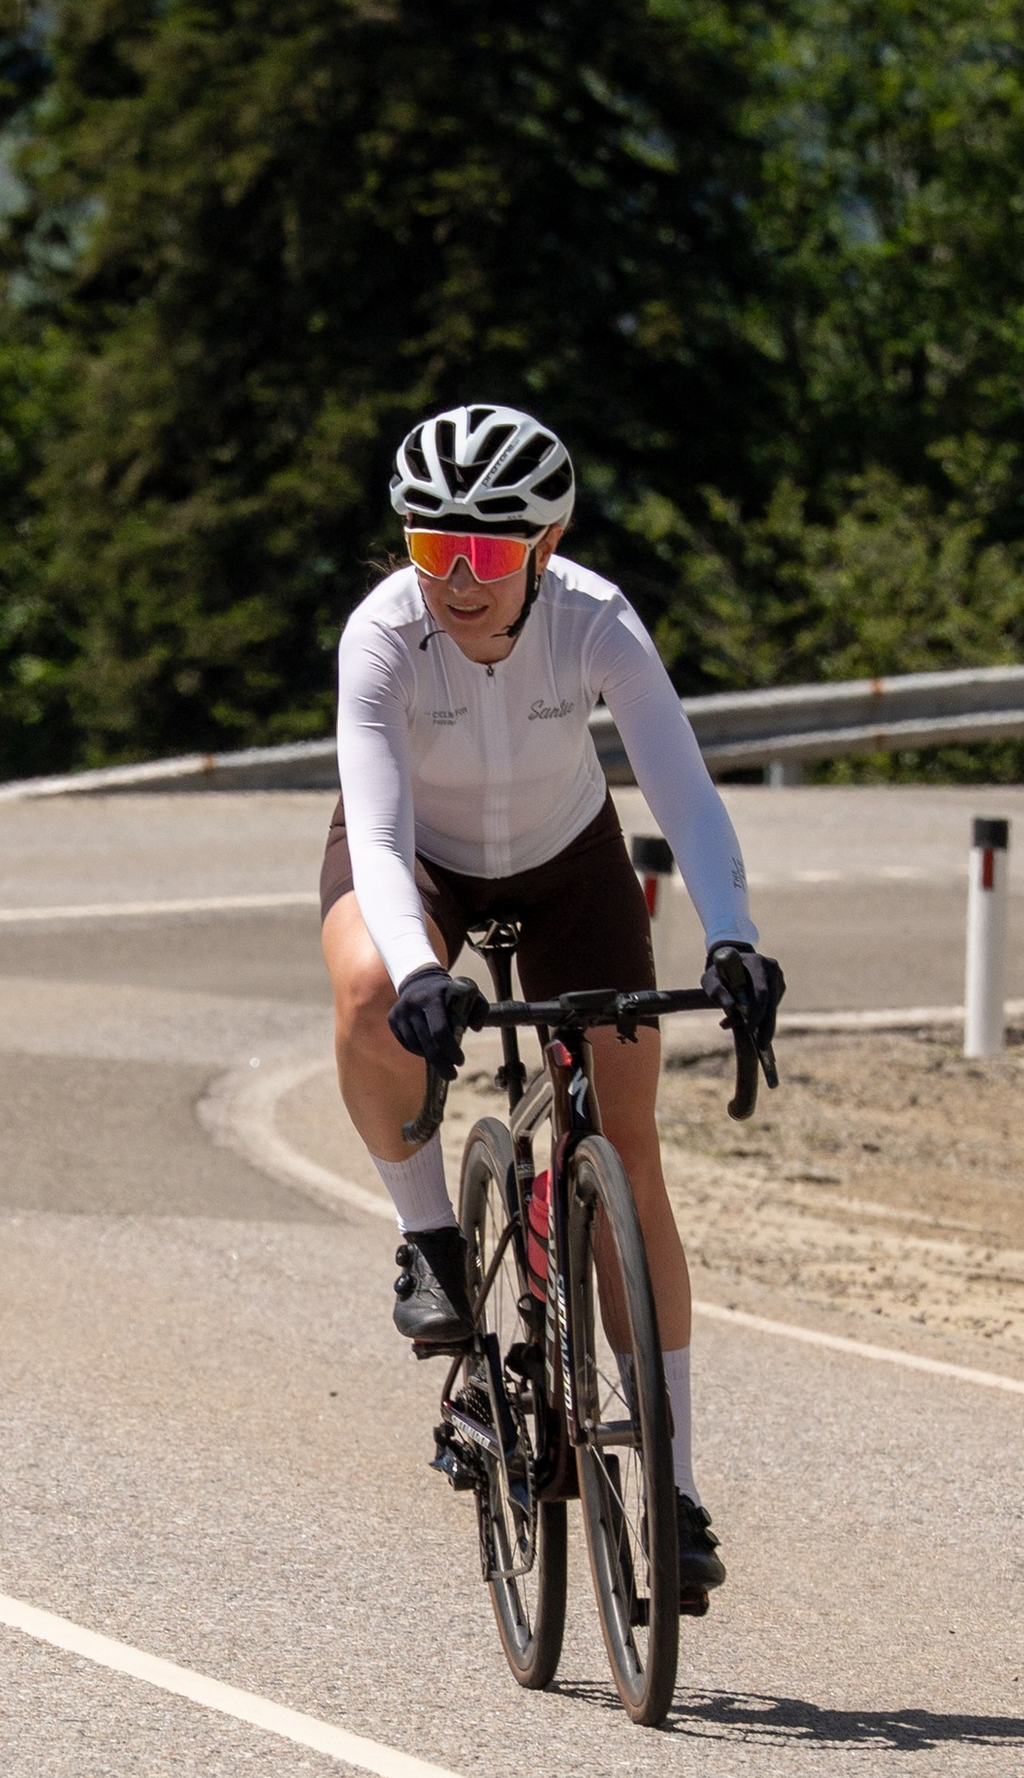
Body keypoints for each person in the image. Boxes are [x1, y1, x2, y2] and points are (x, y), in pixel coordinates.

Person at [320, 401, 784, 1613]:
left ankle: (672, 1484)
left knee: (627, 1152)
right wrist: (421, 970)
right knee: (369, 990)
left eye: (486, 550)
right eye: (431, 548)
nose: (457, 580)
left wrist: (733, 939)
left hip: (565, 860)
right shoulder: (382, 636)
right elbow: (372, 832)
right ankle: (428, 1235)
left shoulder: (595, 622)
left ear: (547, 541)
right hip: (418, 859)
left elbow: (683, 797)